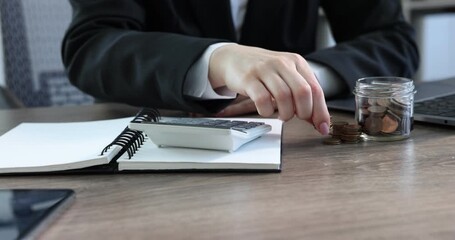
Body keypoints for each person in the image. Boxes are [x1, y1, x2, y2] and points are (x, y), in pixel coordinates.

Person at [61, 0, 419, 136]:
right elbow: (91, 44)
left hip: (292, 152)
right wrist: (214, 60)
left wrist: (302, 78)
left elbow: (392, 38)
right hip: (153, 145)